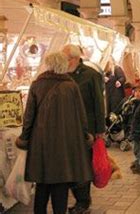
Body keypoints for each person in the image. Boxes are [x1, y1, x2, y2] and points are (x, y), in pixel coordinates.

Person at [16, 52, 93, 214]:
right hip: (65, 143)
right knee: (61, 185)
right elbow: (81, 115)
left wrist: (24, 138)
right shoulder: (71, 86)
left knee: (42, 184)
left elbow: (29, 116)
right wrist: (86, 136)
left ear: (48, 65)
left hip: (41, 142)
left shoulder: (37, 84)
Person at [62, 45, 105, 214]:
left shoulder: (91, 75)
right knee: (72, 165)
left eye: (65, 59)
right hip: (67, 128)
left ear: (73, 59)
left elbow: (98, 103)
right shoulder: (63, 75)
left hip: (87, 129)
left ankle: (83, 201)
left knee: (83, 165)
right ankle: (80, 198)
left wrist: (100, 129)